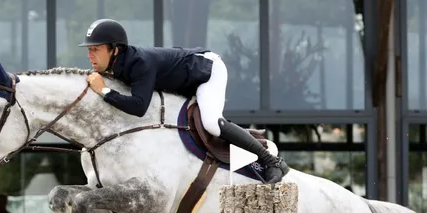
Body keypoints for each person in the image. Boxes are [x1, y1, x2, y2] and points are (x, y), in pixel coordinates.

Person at [79, 18, 288, 184]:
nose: (90, 55)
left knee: (212, 124)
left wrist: (104, 91)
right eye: (89, 50)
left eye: (95, 49)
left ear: (114, 50)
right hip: (184, 83)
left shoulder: (138, 63)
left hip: (206, 72)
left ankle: (272, 161)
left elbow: (139, 107)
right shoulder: (118, 65)